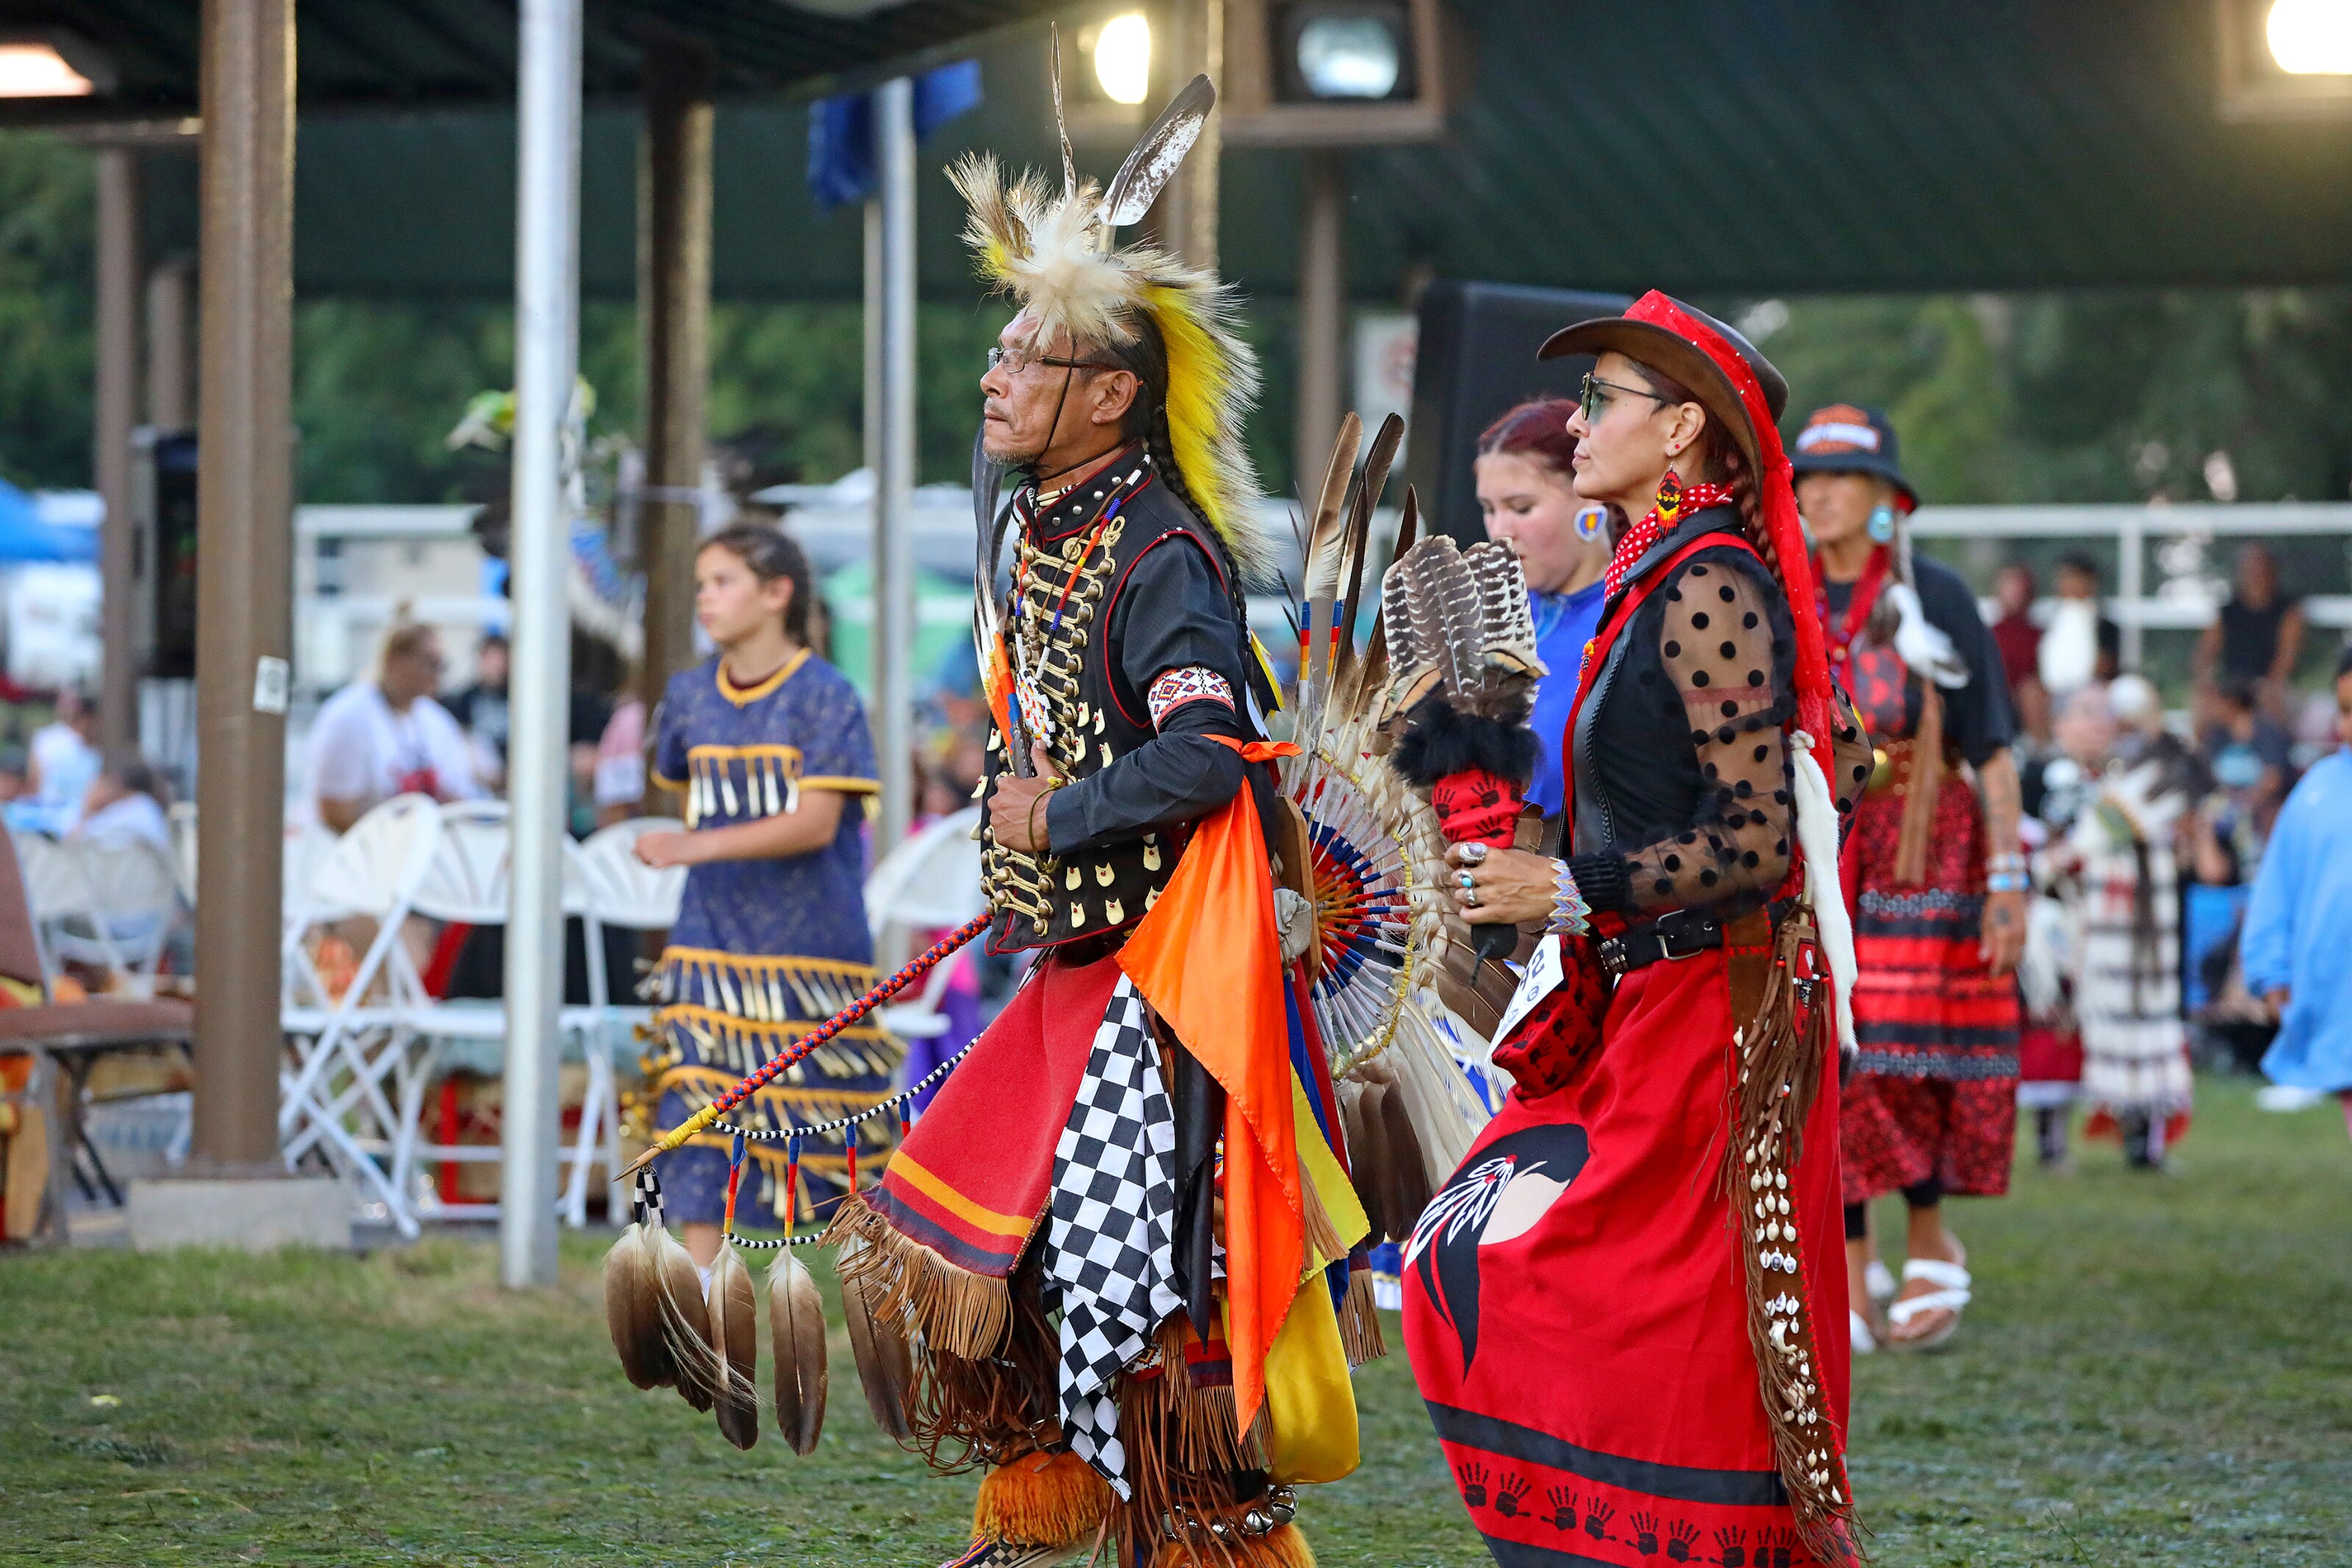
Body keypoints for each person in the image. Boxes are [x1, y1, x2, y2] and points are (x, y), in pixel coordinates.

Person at [823, 76, 1347, 1568]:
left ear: (1111, 391)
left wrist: (1057, 812)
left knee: (1136, 1279)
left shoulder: (1162, 552)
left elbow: (1215, 751)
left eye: (1028, 357)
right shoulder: (1042, 518)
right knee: (993, 1240)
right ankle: (1043, 1510)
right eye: (994, 351)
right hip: (1074, 967)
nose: (994, 380)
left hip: (1162, 979)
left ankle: (1207, 1543)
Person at [1414, 293, 1873, 1567]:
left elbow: (1758, 839)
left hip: (1713, 1011)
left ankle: (1667, 1542)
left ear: (1679, 430)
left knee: (1601, 1298)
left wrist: (1565, 891)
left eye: (1605, 398)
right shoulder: (1646, 575)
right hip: (1638, 994)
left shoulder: (1709, 581)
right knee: (1477, 1248)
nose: (1577, 420)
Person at [1789, 403, 2025, 1355]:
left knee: (1900, 1050)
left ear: (1888, 498)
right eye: (1807, 476)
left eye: (1842, 478)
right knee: (1829, 1048)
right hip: (1817, 843)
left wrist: (2008, 882)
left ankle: (1929, 1232)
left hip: (1926, 848)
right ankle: (1847, 1257)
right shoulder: (1781, 591)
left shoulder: (1938, 597)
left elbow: (1993, 749)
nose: (1820, 493)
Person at [635, 524, 890, 1269]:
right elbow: (676, 788)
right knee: (696, 1116)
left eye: (723, 582)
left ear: (777, 594)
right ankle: (707, 1291)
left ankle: (874, 1291)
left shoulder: (825, 694)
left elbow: (815, 823)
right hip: (708, 944)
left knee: (833, 1128)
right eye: (701, 584)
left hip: (811, 952)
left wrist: (690, 844)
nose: (706, 598)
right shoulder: (687, 696)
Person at [1474, 398, 1611, 818]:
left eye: (1521, 508)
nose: (1500, 531)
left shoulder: (1633, 615)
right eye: (1488, 510)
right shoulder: (1486, 618)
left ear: (1589, 498)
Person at [2242, 644, 2352, 1146]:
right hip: (2337, 1004)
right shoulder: (2318, 792)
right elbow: (2279, 887)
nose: (2348, 726)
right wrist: (2270, 969)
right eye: (2346, 710)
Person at [305, 622, 483, 831]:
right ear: (395, 662)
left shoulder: (436, 720)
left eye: (441, 665)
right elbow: (334, 812)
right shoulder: (348, 717)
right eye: (429, 664)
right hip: (361, 853)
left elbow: (460, 801)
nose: (437, 675)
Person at [2196, 544, 2303, 725]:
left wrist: (2269, 686)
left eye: (2259, 567)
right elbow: (2204, 655)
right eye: (2249, 568)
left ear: (2272, 571)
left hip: (2269, 685)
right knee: (2203, 705)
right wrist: (2207, 684)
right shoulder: (2227, 612)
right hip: (2233, 684)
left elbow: (2287, 658)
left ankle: (2275, 751)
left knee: (2273, 702)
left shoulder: (2288, 610)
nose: (2254, 575)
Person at [12, 688, 101, 836]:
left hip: (53, 817)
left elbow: (33, 783)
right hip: (66, 819)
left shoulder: (46, 739)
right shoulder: (94, 753)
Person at [2038, 554, 2120, 699]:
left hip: (2090, 693)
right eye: (2063, 578)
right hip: (2051, 695)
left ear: (2091, 582)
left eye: (2072, 578)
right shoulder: (2049, 621)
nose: (2067, 584)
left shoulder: (2103, 625)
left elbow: (2106, 665)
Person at [1989, 562, 2050, 749]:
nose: (2015, 594)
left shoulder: (2039, 635)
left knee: (2030, 691)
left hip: (2027, 697)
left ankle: (2039, 753)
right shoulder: (1990, 634)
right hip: (1997, 695)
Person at [71, 758, 171, 852]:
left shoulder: (136, 808)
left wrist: (86, 812)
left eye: (97, 786)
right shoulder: (141, 806)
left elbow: (75, 847)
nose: (89, 793)